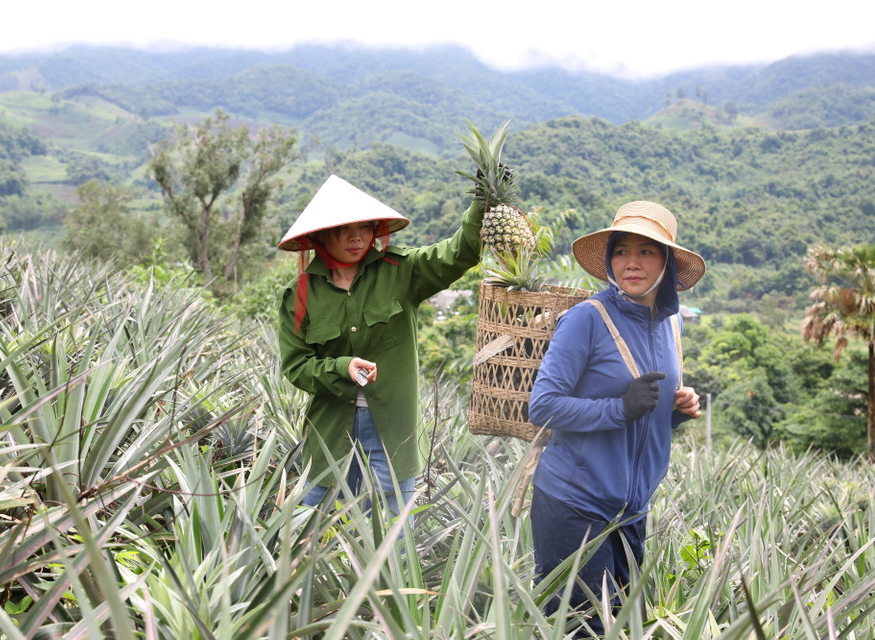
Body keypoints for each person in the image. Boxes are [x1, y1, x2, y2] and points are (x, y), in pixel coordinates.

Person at [527, 200, 706, 635]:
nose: (632, 262)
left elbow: (645, 417)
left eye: (647, 251)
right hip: (574, 502)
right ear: (608, 259)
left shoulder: (669, 325)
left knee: (622, 626)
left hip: (630, 511)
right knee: (581, 630)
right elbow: (543, 407)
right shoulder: (586, 319)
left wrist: (676, 413)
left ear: (666, 260)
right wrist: (619, 408)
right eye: (622, 250)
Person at [277, 174, 483, 525]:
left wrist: (482, 204)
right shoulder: (300, 294)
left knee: (394, 534)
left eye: (365, 226)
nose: (357, 237)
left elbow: (459, 252)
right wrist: (341, 367)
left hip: (392, 427)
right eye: (344, 229)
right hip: (330, 430)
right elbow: (296, 365)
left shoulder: (402, 271)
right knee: (310, 526)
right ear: (322, 235)